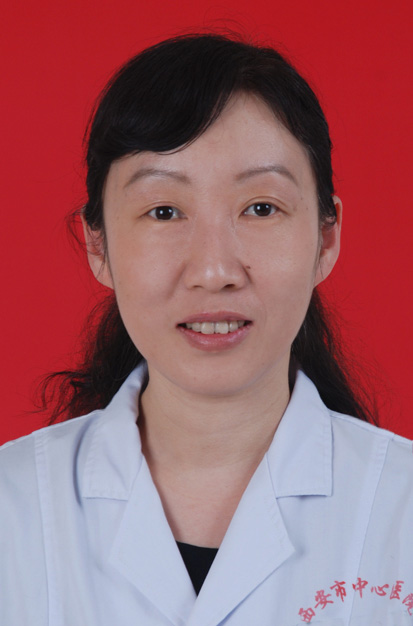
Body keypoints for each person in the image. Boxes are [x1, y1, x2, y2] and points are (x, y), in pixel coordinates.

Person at [1, 33, 412, 626]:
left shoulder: (401, 507)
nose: (215, 271)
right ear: (98, 245)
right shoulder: (13, 507)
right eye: (164, 211)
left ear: (326, 238)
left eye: (261, 208)